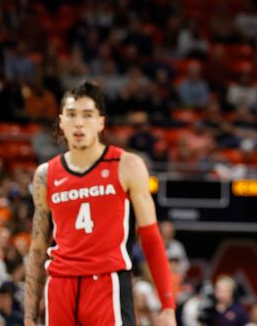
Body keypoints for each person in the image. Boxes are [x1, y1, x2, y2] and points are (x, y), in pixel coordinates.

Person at [24, 81, 176, 325]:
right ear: (61, 121)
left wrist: (167, 306)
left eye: (87, 115)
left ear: (101, 122)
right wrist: (29, 317)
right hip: (60, 286)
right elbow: (37, 248)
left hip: (108, 284)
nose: (79, 123)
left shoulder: (127, 165)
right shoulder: (45, 174)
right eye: (71, 115)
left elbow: (150, 237)